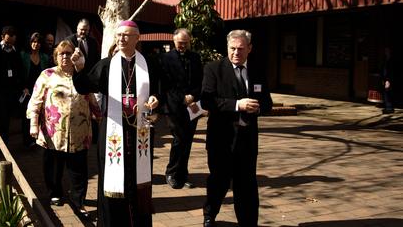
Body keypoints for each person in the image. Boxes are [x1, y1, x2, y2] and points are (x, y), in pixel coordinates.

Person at [73, 20, 159, 227]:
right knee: (112, 178)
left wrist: (155, 99)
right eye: (119, 35)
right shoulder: (106, 64)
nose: (121, 39)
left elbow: (158, 90)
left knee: (138, 177)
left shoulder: (148, 64)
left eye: (126, 35)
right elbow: (84, 87)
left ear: (136, 38)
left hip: (140, 128)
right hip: (113, 129)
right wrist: (79, 68)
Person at [201, 30, 273, 227]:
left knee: (247, 184)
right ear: (227, 47)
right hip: (221, 138)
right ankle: (210, 215)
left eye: (241, 49)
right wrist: (236, 105)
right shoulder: (213, 68)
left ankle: (248, 221)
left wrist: (258, 108)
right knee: (219, 181)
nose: (236, 53)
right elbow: (208, 101)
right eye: (232, 48)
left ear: (249, 49)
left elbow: (267, 103)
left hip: (247, 139)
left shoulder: (257, 70)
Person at [27, 40, 101, 217]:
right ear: (56, 56)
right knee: (53, 166)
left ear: (75, 56)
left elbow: (93, 101)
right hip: (54, 133)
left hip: (79, 133)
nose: (65, 56)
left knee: (79, 171)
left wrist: (102, 119)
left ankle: (78, 201)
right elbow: (36, 100)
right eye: (61, 53)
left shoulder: (82, 76)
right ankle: (55, 193)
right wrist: (33, 123)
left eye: (69, 53)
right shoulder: (47, 75)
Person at [161, 28, 203, 189]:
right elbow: (166, 84)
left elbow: (200, 81)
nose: (183, 46)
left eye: (186, 43)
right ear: (174, 41)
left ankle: (182, 175)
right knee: (179, 139)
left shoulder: (195, 58)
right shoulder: (165, 59)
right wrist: (183, 98)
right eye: (180, 43)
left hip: (193, 106)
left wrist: (193, 96)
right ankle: (171, 173)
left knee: (188, 141)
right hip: (174, 107)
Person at [0, 25, 24, 144]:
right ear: (3, 36)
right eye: (10, 35)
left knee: (7, 116)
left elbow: (19, 69)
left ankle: (4, 141)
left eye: (14, 35)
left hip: (11, 90)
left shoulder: (15, 51)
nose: (13, 37)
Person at [20, 32, 51, 147]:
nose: (35, 44)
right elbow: (20, 74)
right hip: (27, 90)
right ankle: (27, 141)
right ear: (30, 43)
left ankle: (36, 139)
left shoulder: (44, 57)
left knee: (40, 114)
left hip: (40, 90)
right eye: (33, 41)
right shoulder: (23, 55)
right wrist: (23, 88)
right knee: (27, 115)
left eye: (38, 42)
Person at [381, 47, 395, 114]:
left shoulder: (391, 60)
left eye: (387, 51)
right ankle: (388, 107)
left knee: (388, 94)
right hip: (385, 78)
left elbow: (391, 71)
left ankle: (389, 108)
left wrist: (388, 80)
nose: (385, 52)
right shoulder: (386, 59)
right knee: (386, 93)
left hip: (388, 79)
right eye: (385, 50)